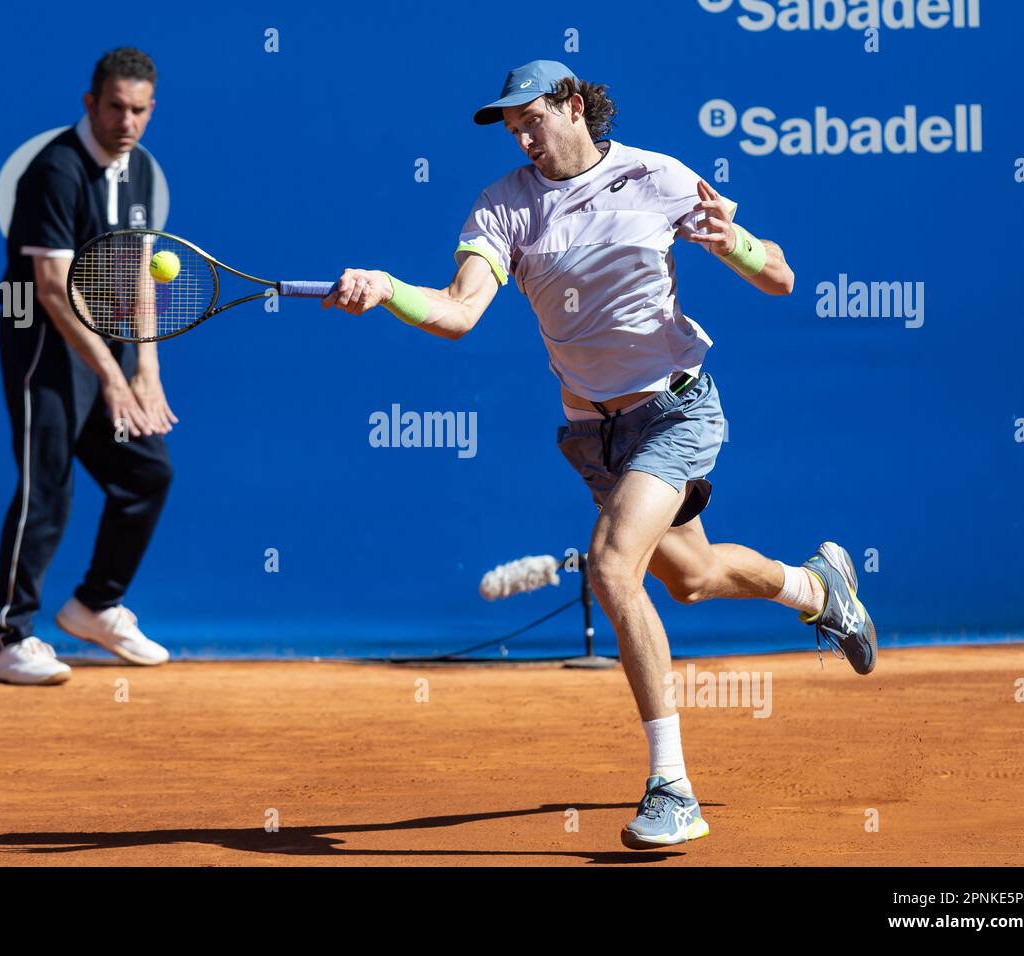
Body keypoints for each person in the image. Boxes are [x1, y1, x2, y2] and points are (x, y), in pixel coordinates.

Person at [322, 60, 876, 848]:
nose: (521, 135)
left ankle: (671, 788)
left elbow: (781, 277)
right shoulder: (503, 206)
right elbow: (456, 313)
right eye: (510, 125)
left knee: (614, 567)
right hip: (594, 433)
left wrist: (736, 247)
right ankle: (819, 590)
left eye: (531, 118)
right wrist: (386, 290)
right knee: (691, 578)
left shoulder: (657, 177)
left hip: (675, 409)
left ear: (574, 106)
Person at [0, 47, 176, 685]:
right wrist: (111, 376)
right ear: (90, 102)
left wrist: (145, 369)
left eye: (140, 110)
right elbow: (50, 286)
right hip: (43, 344)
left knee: (148, 473)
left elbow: (141, 280)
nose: (127, 121)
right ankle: (11, 639)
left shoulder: (143, 171)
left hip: (105, 345)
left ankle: (96, 605)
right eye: (116, 107)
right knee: (48, 486)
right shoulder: (56, 170)